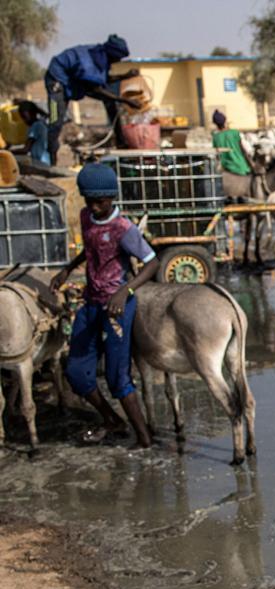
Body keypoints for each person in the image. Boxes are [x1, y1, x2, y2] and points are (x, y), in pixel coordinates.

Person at [51, 162, 159, 448]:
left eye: (100, 202)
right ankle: (112, 419)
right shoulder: (86, 217)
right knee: (75, 371)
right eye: (90, 202)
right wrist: (67, 269)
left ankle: (144, 438)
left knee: (116, 377)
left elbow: (152, 262)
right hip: (91, 302)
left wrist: (126, 291)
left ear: (112, 198)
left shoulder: (124, 228)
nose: (95, 207)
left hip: (117, 307)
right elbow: (89, 249)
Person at [44, 34, 141, 165]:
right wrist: (126, 101)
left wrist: (126, 76)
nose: (118, 61)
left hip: (76, 82)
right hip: (57, 81)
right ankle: (52, 159)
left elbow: (103, 80)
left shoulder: (101, 57)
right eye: (118, 58)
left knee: (111, 102)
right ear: (113, 54)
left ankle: (121, 142)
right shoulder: (88, 64)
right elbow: (96, 89)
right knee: (56, 120)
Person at [211, 110, 252, 177]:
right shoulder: (235, 133)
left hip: (226, 168)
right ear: (225, 122)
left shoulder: (215, 137)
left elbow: (217, 155)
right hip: (241, 167)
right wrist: (251, 164)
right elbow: (244, 150)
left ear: (215, 124)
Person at [12, 101, 51, 166]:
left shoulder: (36, 126)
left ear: (32, 114)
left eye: (25, 117)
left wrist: (8, 152)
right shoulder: (41, 124)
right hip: (44, 161)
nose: (24, 121)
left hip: (40, 162)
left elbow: (26, 149)